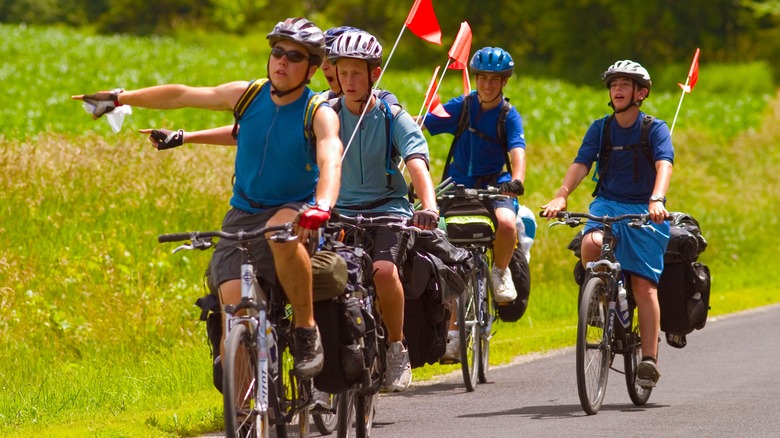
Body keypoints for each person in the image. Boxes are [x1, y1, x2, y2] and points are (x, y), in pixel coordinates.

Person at [72, 17, 343, 381]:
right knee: (235, 311)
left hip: (294, 210)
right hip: (244, 212)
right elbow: (182, 94)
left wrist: (322, 205)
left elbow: (330, 157)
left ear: (311, 69)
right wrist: (120, 98)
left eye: (294, 56)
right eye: (277, 51)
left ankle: (307, 331)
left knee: (279, 232)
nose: (282, 61)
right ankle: (248, 411)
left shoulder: (318, 112)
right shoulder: (248, 95)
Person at [541, 60, 673, 388]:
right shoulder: (600, 128)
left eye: (625, 84)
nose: (617, 89)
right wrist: (561, 196)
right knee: (590, 244)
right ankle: (602, 303)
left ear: (640, 92)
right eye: (614, 84)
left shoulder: (653, 128)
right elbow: (581, 163)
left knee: (644, 286)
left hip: (644, 209)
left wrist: (656, 199)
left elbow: (664, 164)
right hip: (608, 204)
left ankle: (648, 359)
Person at [327, 29, 439, 392]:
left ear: (375, 73)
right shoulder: (326, 114)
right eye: (342, 73)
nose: (349, 81)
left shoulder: (393, 116)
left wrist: (429, 204)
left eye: (357, 72)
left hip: (387, 210)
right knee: (320, 276)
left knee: (384, 271)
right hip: (340, 211)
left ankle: (395, 345)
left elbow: (416, 161)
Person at [418, 47, 527, 362]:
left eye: (495, 79)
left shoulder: (509, 115)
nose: (488, 85)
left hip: (496, 184)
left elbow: (517, 149)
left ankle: (500, 271)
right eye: (482, 78)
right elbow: (425, 124)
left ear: (504, 82)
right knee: (448, 256)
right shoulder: (462, 108)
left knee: (506, 223)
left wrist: (516, 180)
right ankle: (453, 335)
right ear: (475, 78)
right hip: (457, 187)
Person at [321, 25, 399, 106]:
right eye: (322, 61)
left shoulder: (384, 100)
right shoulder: (320, 101)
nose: (323, 67)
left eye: (330, 61)